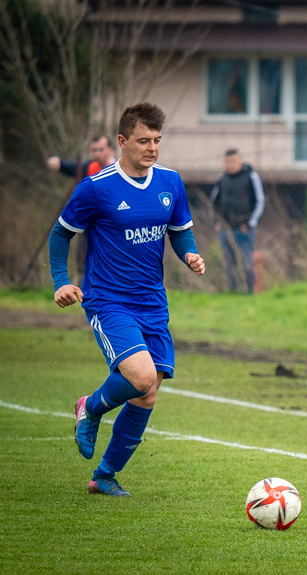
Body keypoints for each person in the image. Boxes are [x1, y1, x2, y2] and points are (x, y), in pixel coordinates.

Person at [48, 102, 206, 497]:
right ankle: (92, 407)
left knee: (148, 392)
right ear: (122, 141)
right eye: (143, 141)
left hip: (152, 302)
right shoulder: (97, 187)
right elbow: (60, 234)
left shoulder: (170, 182)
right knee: (141, 377)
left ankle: (104, 475)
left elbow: (180, 229)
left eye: (156, 140)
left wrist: (188, 253)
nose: (152, 148)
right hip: (108, 300)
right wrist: (60, 281)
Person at [210, 149, 265, 294]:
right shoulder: (222, 179)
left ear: (240, 161)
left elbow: (260, 202)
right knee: (229, 264)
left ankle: (250, 292)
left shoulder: (251, 176)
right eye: (227, 162)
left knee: (247, 263)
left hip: (244, 228)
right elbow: (214, 202)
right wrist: (217, 221)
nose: (230, 165)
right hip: (226, 229)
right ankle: (232, 292)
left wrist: (250, 223)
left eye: (233, 161)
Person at [47, 133, 116, 179]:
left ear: (110, 149)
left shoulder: (119, 167)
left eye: (101, 150)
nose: (97, 154)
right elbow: (74, 168)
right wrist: (59, 162)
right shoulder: (90, 167)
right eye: (94, 150)